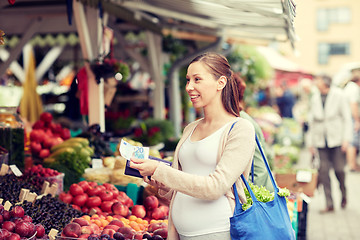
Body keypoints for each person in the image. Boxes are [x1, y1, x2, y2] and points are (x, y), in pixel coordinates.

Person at [130, 52, 256, 240]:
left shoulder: (240, 129)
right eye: (188, 80)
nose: (189, 87)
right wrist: (159, 182)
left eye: (197, 79)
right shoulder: (191, 128)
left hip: (217, 233)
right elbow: (181, 186)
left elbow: (215, 187)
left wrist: (160, 170)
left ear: (220, 83)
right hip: (180, 233)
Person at [308, 74, 352, 213]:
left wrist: (346, 139)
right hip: (321, 140)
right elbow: (312, 122)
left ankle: (343, 193)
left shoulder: (339, 95)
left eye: (318, 80)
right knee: (323, 172)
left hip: (337, 139)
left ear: (325, 82)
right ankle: (329, 203)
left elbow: (347, 118)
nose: (316, 82)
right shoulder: (315, 97)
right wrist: (311, 142)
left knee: (339, 170)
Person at [343, 69, 360, 172]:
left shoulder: (349, 87)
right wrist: (357, 120)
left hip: (348, 118)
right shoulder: (354, 89)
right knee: (353, 142)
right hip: (351, 118)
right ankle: (352, 165)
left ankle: (352, 164)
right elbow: (353, 105)